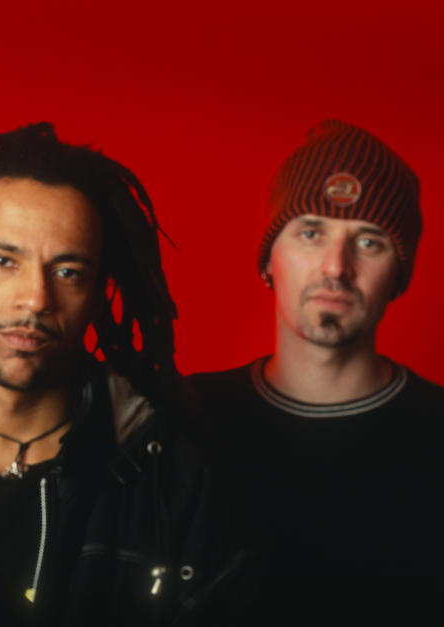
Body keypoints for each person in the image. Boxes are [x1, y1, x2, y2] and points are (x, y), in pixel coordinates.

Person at [0, 122, 226, 626]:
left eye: (68, 272)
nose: (36, 297)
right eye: (3, 260)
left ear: (97, 295)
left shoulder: (170, 472)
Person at [189, 119, 444, 622]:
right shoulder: (185, 420)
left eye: (369, 241)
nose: (336, 265)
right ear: (269, 259)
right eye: (311, 232)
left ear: (400, 274)